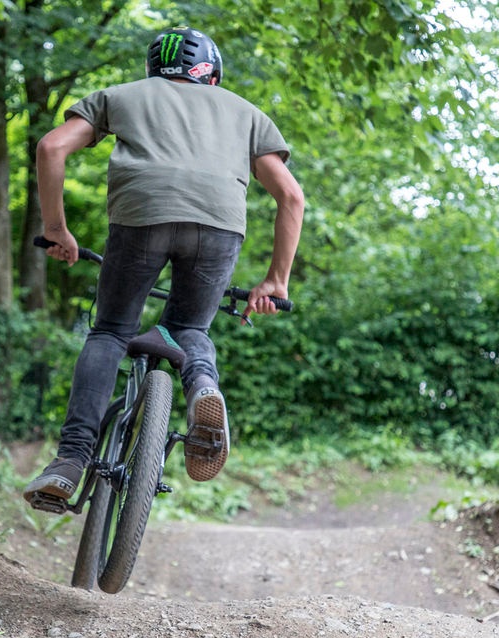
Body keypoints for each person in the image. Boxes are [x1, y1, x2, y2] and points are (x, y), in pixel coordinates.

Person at [23, 26, 304, 507]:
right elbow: (291, 197)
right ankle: (201, 389)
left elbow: (51, 147)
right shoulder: (246, 112)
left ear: (154, 68)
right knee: (192, 327)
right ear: (211, 73)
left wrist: (57, 230)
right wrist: (275, 280)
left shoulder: (120, 96)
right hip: (218, 226)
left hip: (141, 218)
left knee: (110, 332)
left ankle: (70, 461)